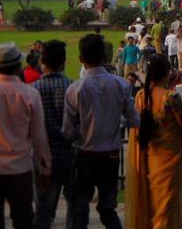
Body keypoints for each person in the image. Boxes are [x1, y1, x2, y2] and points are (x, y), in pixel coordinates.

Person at [63, 33, 141, 229]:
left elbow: (68, 130)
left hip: (84, 155)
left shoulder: (75, 89)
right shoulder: (121, 84)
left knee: (79, 211)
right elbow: (134, 120)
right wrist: (116, 119)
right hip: (111, 156)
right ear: (105, 57)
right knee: (108, 210)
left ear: (81, 59)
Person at [0, 42, 52, 229]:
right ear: (18, 66)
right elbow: (39, 138)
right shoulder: (29, 94)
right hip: (20, 170)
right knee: (23, 221)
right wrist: (45, 168)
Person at [125, 54, 182, 228]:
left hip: (149, 158)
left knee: (154, 205)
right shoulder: (171, 98)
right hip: (170, 160)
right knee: (166, 207)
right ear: (166, 73)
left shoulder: (141, 96)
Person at [32, 40, 74, 229]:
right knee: (75, 208)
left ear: (42, 61)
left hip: (43, 157)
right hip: (70, 154)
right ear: (64, 62)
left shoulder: (33, 90)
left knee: (43, 209)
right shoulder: (73, 88)